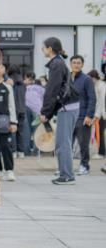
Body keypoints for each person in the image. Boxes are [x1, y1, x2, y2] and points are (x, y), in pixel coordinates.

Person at [40, 38, 79, 185]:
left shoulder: (56, 64)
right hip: (68, 106)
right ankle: (65, 174)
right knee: (63, 143)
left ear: (50, 49)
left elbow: (52, 90)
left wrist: (45, 112)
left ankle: (67, 176)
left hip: (67, 107)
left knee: (63, 143)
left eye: (43, 48)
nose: (42, 50)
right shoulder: (58, 63)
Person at [70, 55, 96, 176]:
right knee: (67, 144)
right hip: (69, 116)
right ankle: (66, 167)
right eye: (74, 62)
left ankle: (84, 166)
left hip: (82, 116)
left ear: (82, 65)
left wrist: (89, 115)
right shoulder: (67, 79)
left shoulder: (87, 80)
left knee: (83, 144)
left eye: (78, 63)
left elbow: (92, 98)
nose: (76, 65)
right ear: (70, 64)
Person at [6, 65, 29, 157]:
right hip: (22, 109)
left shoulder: (10, 82)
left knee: (12, 130)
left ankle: (13, 151)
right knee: (20, 131)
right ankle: (21, 151)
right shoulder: (23, 83)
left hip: (14, 109)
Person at [88, 70, 106, 159]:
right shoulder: (96, 85)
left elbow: (102, 101)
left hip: (102, 113)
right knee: (97, 133)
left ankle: (101, 153)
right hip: (99, 112)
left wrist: (98, 114)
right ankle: (101, 151)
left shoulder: (102, 85)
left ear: (94, 77)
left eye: (90, 78)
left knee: (99, 132)